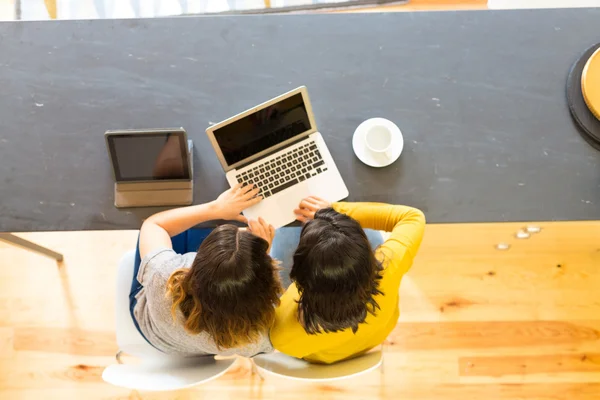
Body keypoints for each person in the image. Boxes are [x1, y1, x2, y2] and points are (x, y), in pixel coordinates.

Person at [131, 183, 283, 357]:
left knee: (178, 203)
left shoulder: (164, 277)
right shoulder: (262, 337)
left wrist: (215, 209)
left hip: (157, 333)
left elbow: (153, 224)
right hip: (201, 347)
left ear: (196, 265)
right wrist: (261, 253)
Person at [269, 196, 426, 364]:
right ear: (370, 259)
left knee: (283, 231)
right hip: (371, 336)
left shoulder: (280, 332)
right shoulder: (389, 265)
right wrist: (334, 210)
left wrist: (261, 254)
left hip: (319, 353)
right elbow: (413, 217)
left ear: (299, 278)